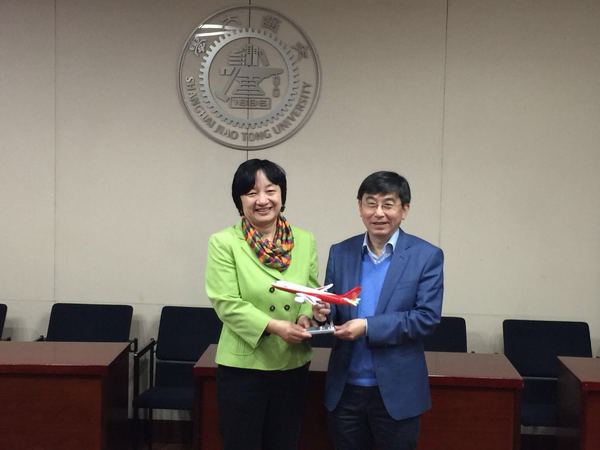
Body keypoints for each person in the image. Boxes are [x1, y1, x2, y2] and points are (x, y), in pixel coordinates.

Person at [313, 171, 444, 450]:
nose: (379, 213)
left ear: (404, 209)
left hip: (397, 393)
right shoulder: (341, 252)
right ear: (360, 207)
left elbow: (426, 318)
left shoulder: (426, 256)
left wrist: (368, 327)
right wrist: (322, 312)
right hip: (345, 390)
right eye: (371, 203)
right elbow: (335, 307)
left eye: (388, 204)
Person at [205, 159, 318, 450]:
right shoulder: (224, 242)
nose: (262, 200)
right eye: (251, 192)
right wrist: (276, 326)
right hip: (244, 366)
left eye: (270, 190)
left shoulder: (305, 240)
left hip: (291, 362)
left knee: (285, 442)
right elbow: (226, 302)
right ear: (239, 200)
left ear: (282, 195)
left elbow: (310, 292)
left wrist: (306, 316)